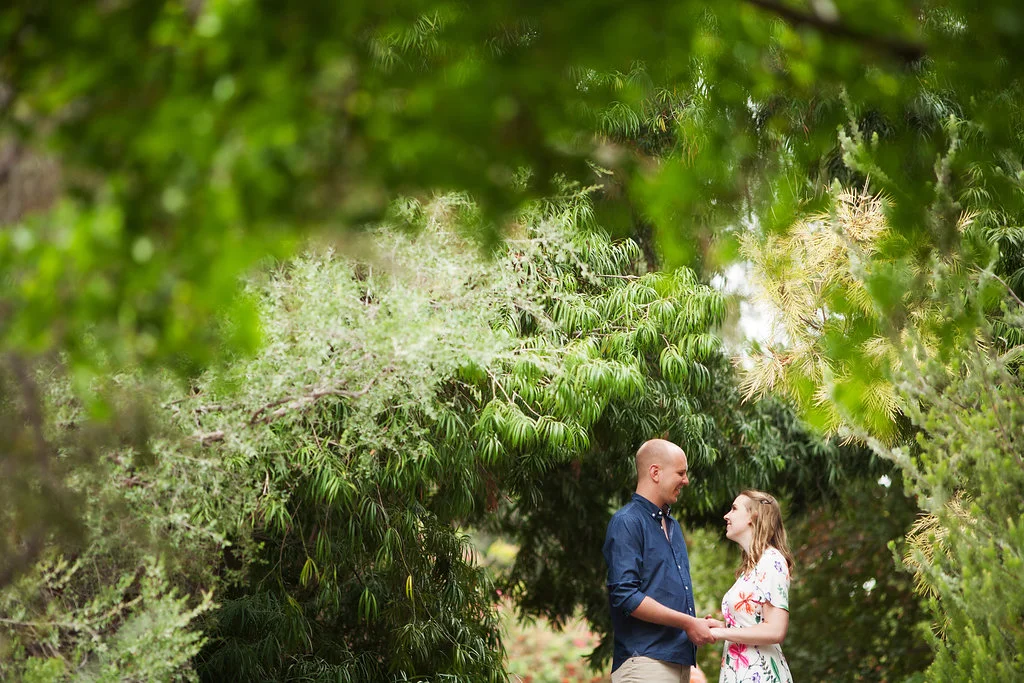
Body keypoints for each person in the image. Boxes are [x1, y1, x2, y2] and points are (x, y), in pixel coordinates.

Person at [602, 439, 714, 683]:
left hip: (679, 665)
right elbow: (625, 596)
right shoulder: (627, 522)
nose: (686, 480)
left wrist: (696, 623)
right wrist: (687, 622)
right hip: (644, 664)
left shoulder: (673, 526)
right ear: (655, 472)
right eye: (681, 473)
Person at [707, 490, 794, 683]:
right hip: (741, 672)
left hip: (760, 674)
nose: (726, 515)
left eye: (734, 509)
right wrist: (722, 626)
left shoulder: (772, 561)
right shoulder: (752, 568)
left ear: (753, 516)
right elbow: (754, 625)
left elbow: (775, 630)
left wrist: (720, 633)